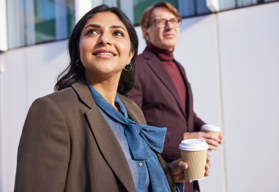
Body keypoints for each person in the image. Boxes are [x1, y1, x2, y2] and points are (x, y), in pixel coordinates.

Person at [14, 4, 210, 192]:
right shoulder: (52, 110)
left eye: (117, 33)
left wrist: (170, 173)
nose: (104, 40)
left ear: (129, 55)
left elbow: (133, 177)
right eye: (92, 31)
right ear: (78, 50)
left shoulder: (132, 110)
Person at [125, 2, 224, 192]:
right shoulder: (137, 67)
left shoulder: (179, 67)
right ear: (146, 32)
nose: (170, 26)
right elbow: (133, 128)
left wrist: (203, 128)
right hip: (162, 176)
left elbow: (187, 113)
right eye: (161, 22)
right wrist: (183, 138)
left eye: (173, 21)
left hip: (190, 178)